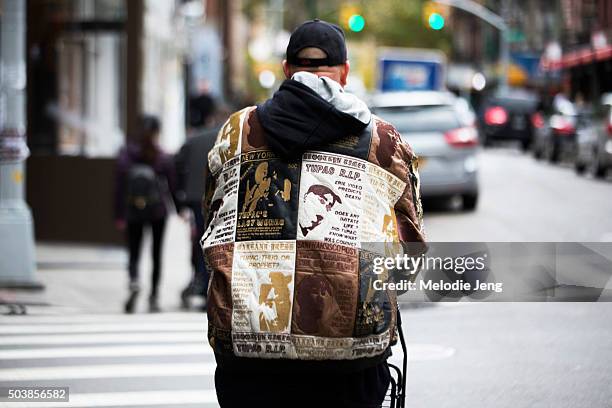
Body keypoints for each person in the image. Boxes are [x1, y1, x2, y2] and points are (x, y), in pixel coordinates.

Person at [202, 19, 425, 407]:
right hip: (352, 360)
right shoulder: (384, 141)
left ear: (288, 70)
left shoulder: (237, 130)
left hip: (247, 354)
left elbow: (213, 220)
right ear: (344, 72)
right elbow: (410, 253)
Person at [114, 115, 177, 313]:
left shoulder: (126, 154)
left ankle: (134, 280)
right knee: (156, 254)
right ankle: (154, 296)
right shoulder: (161, 155)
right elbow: (172, 184)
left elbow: (119, 186)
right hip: (157, 210)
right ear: (157, 132)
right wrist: (179, 208)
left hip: (133, 210)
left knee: (134, 251)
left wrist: (119, 214)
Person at [175, 125, 220, 310]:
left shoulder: (194, 139)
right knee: (216, 240)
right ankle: (209, 285)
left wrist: (182, 195)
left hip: (196, 196)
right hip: (219, 196)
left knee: (201, 239)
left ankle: (201, 282)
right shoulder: (228, 137)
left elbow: (176, 163)